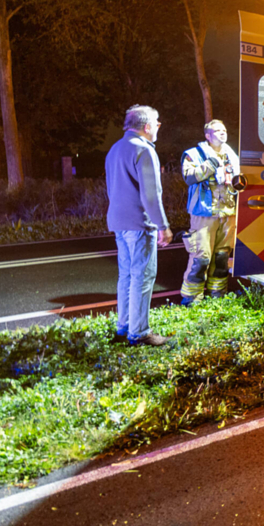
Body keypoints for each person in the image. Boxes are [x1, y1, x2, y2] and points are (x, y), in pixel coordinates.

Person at [106, 105, 173, 347]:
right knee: (143, 277)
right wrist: (162, 225)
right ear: (146, 126)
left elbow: (111, 190)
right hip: (139, 223)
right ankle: (139, 332)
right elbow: (151, 195)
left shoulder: (114, 150)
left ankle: (123, 327)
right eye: (156, 122)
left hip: (118, 222)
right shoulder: (144, 150)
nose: (158, 126)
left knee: (126, 276)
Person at [179, 119, 240, 305]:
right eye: (217, 131)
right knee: (201, 258)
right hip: (204, 214)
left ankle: (218, 296)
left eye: (224, 129)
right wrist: (211, 164)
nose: (223, 133)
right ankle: (192, 299)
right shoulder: (193, 154)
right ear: (207, 136)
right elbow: (189, 178)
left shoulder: (232, 155)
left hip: (228, 213)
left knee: (222, 258)